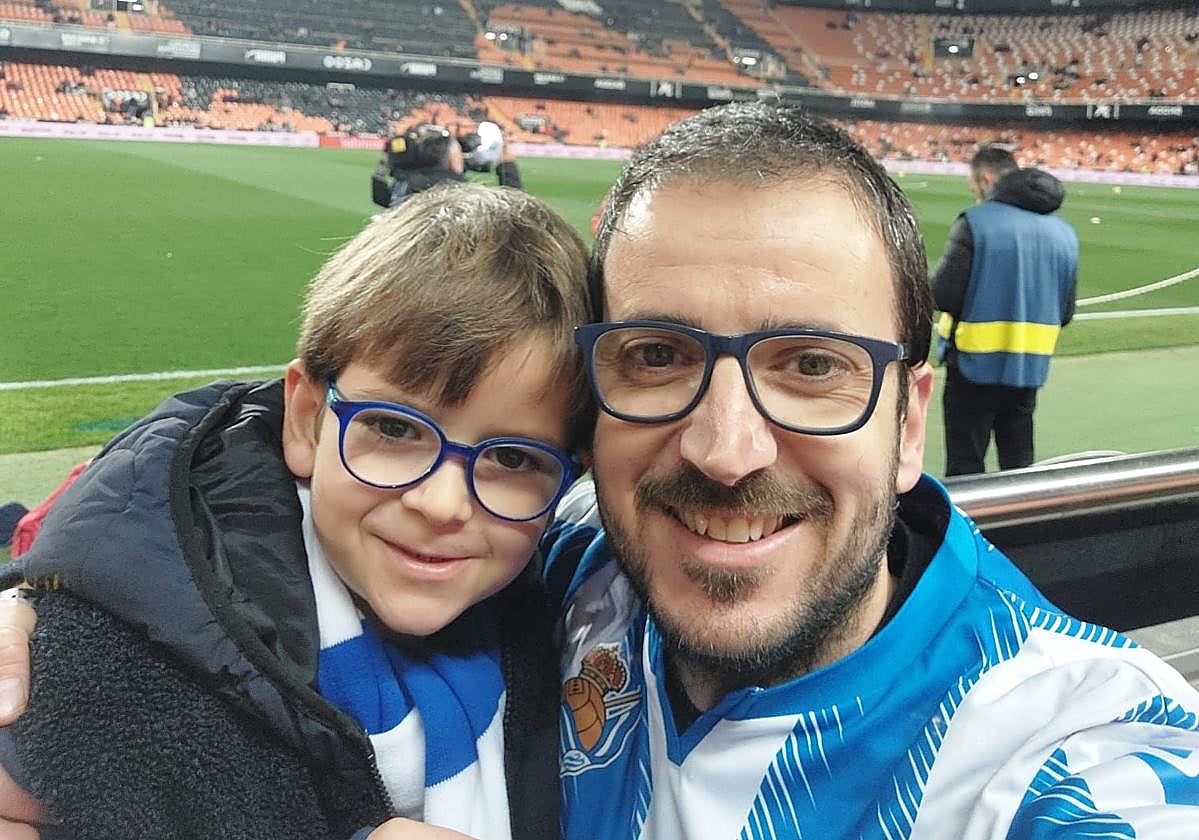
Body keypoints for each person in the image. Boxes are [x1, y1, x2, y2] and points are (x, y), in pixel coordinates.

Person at [3, 103, 1199, 840]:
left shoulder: (1062, 753)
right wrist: (56, 600)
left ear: (905, 420)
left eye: (811, 366)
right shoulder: (570, 562)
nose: (726, 451)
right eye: (658, 356)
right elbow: (283, 492)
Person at [0, 183, 590, 840]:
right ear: (306, 420)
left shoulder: (560, 618)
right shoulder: (110, 674)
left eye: (513, 460)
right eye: (393, 430)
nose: (443, 504)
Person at [931, 143, 1079, 476]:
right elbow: (1065, 312)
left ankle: (969, 529)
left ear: (985, 178)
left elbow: (944, 296)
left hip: (973, 363)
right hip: (1029, 367)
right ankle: (1022, 527)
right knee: (1019, 463)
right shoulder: (1064, 233)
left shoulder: (976, 221)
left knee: (966, 465)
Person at [372, 123, 522, 209]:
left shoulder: (405, 186)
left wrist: (385, 165)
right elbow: (513, 216)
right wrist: (507, 167)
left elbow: (381, 198)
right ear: (451, 160)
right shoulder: (458, 192)